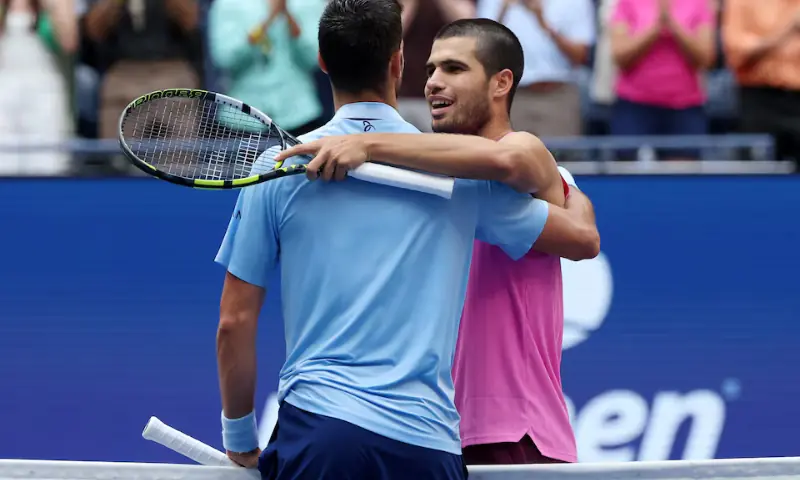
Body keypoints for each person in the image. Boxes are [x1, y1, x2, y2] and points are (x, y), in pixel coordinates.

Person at [215, 1, 597, 479]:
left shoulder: (277, 169)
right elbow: (579, 235)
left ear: (322, 61)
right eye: (431, 67)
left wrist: (240, 438)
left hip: (323, 429)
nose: (435, 80)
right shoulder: (466, 182)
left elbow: (234, 321)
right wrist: (575, 197)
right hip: (429, 443)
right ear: (400, 62)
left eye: (453, 68)